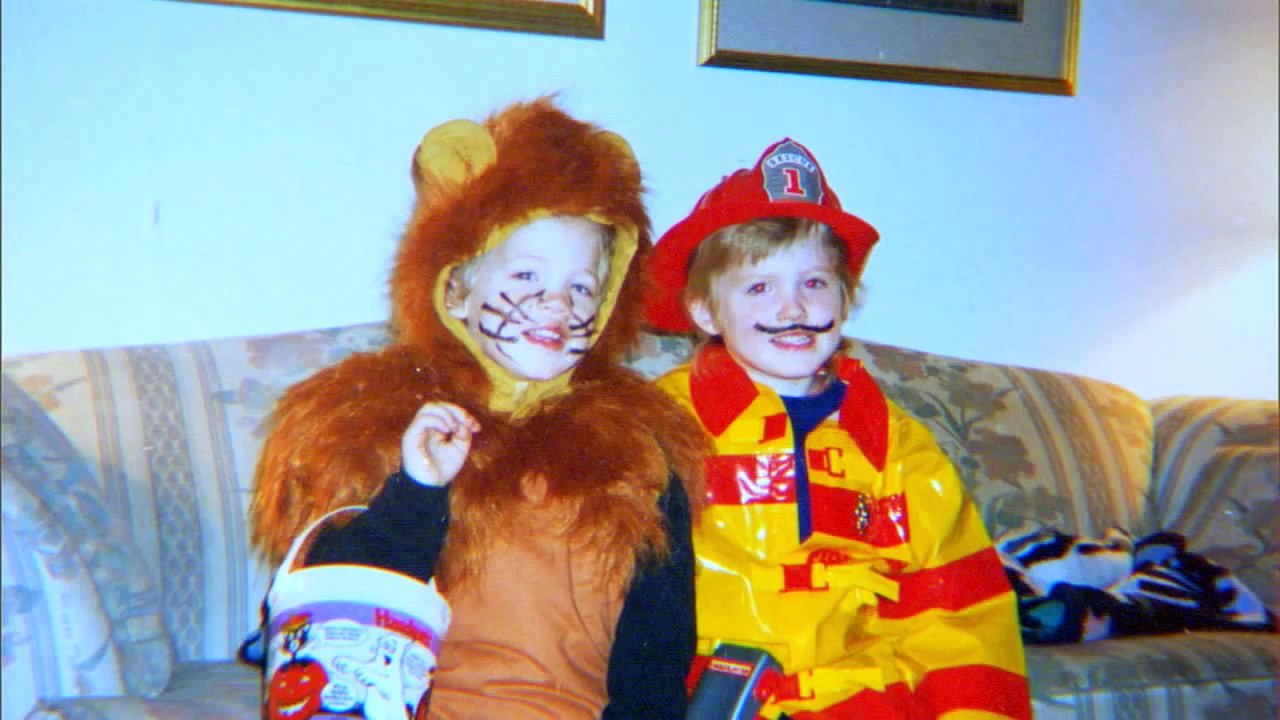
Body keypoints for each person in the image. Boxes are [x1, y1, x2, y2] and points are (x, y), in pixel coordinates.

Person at [247, 98, 709, 720]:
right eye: (525, 278)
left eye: (582, 287)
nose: (556, 305)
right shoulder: (373, 422)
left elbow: (656, 654)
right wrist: (417, 491)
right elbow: (336, 617)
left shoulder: (641, 448)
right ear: (457, 289)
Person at [645, 138, 1030, 719]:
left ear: (845, 300)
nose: (793, 308)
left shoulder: (898, 448)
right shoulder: (656, 426)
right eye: (759, 287)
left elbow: (959, 616)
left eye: (815, 283)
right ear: (704, 312)